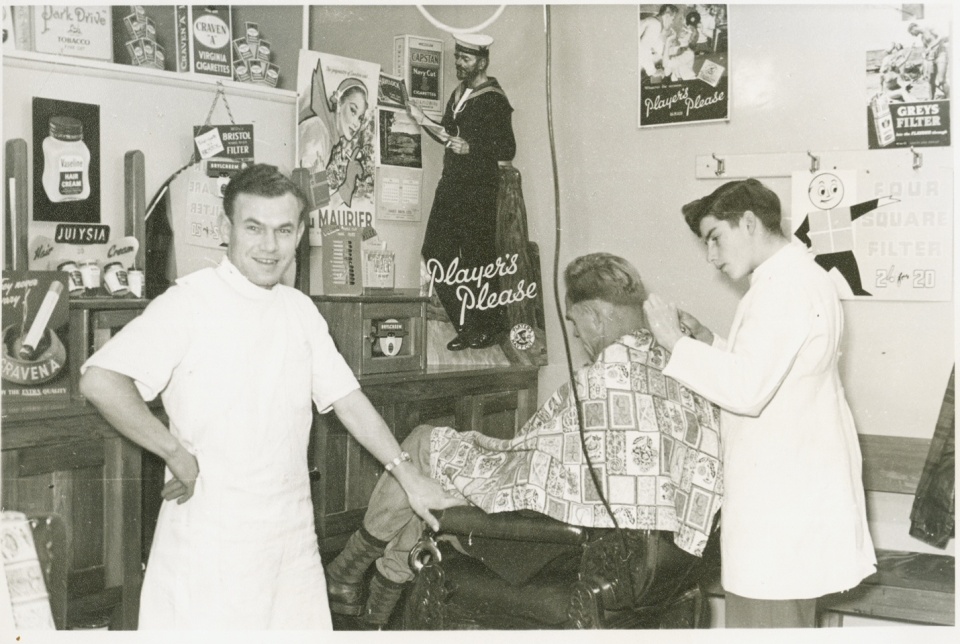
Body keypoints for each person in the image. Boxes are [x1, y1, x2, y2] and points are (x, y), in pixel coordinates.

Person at [79, 164, 458, 630]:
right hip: (211, 544)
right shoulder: (188, 303)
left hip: (289, 539)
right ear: (227, 229)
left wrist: (406, 474)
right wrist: (172, 451)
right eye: (253, 227)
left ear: (299, 233)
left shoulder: (299, 311)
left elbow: (348, 399)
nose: (268, 245)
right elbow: (100, 379)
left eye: (283, 230)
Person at [324, 252, 723, 629]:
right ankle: (379, 585)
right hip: (659, 557)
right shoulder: (685, 364)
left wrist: (479, 472)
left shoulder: (604, 380)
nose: (577, 335)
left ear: (597, 319)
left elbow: (532, 458)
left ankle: (357, 571)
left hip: (563, 541)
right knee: (432, 473)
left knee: (420, 446)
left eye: (574, 322)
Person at [643, 178, 877, 628]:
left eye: (715, 239)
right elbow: (773, 371)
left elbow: (748, 390)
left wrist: (673, 342)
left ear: (748, 222)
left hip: (778, 503)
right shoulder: (796, 277)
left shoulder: (782, 288)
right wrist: (709, 341)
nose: (711, 258)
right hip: (786, 492)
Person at [407, 33, 517, 351]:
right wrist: (422, 119)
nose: (458, 62)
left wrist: (472, 147)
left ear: (481, 62)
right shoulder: (459, 94)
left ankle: (486, 329)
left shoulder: (494, 98)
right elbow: (448, 134)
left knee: (475, 259)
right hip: (451, 185)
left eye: (465, 58)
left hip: (478, 189)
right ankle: (469, 326)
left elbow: (507, 148)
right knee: (435, 252)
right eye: (457, 56)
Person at [298, 67, 374, 209]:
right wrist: (347, 185)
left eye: (361, 118)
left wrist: (348, 184)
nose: (356, 123)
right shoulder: (318, 131)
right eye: (353, 110)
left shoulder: (327, 135)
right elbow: (316, 206)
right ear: (339, 104)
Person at [907, 21, 949, 100]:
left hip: (941, 55)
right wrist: (924, 67)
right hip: (931, 59)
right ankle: (931, 99)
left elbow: (942, 36)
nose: (913, 35)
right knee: (930, 81)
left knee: (941, 80)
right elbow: (926, 53)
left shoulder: (929, 28)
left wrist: (931, 47)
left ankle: (950, 98)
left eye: (911, 33)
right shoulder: (922, 38)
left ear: (913, 28)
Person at [638, 4, 679, 81]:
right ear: (667, 16)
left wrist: (668, 40)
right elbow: (642, 49)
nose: (672, 23)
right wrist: (652, 71)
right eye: (672, 19)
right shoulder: (655, 25)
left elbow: (657, 49)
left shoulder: (654, 22)